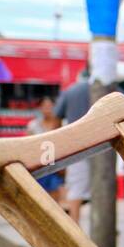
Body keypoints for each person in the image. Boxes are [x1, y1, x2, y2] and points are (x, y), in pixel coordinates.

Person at [53, 69, 95, 225]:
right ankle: (104, 224)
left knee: (76, 188)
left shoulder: (70, 92)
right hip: (104, 146)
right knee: (102, 189)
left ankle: (75, 225)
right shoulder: (110, 87)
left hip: (76, 146)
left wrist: (55, 151)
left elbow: (56, 120)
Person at [26, 96, 65, 205]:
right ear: (40, 108)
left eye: (50, 106)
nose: (47, 109)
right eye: (45, 106)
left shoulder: (59, 124)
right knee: (38, 200)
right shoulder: (33, 125)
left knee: (54, 201)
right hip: (38, 167)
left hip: (54, 168)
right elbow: (28, 147)